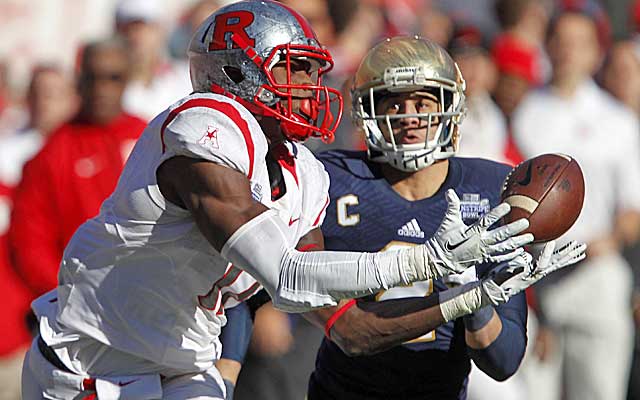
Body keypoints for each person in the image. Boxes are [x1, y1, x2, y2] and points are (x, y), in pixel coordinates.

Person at [21, 2, 537, 399]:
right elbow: (286, 275)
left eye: (312, 71)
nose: (311, 86)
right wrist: (424, 260)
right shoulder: (203, 129)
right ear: (237, 72)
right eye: (295, 69)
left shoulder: (305, 173)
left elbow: (348, 328)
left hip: (184, 365)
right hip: (98, 357)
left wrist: (467, 298)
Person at [303, 36, 585, 400]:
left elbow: (504, 360)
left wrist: (472, 294)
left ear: (451, 106)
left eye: (422, 101)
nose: (410, 116)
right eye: (394, 102)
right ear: (367, 109)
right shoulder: (328, 178)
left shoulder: (491, 189)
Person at [512, 9, 640, 400]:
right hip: (534, 278)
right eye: (561, 41)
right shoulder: (524, 114)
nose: (568, 52)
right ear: (548, 45)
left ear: (596, 52)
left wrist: (609, 239)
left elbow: (633, 211)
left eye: (579, 43)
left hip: (595, 278)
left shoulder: (618, 120)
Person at [8, 38, 146, 301]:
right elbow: (30, 242)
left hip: (149, 299)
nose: (101, 88)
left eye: (112, 78)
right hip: (82, 305)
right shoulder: (52, 153)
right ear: (79, 81)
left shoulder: (149, 136)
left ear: (127, 80)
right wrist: (68, 296)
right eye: (92, 77)